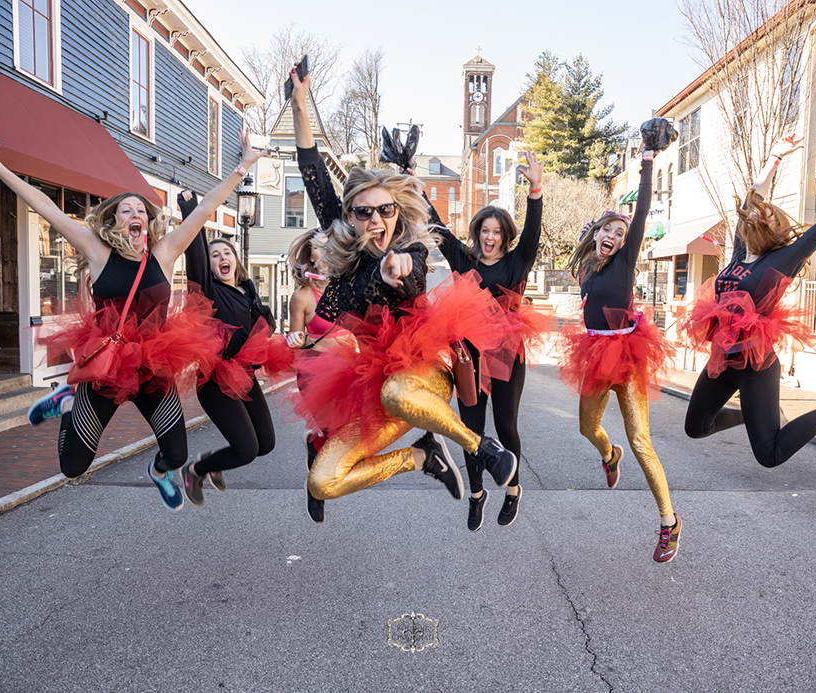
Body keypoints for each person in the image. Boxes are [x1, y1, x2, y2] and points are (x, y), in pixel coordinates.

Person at [0, 121, 268, 510]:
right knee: (73, 467)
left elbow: (206, 207)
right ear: (113, 220)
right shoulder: (97, 250)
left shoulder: (165, 252)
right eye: (127, 210)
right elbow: (46, 207)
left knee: (175, 454)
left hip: (154, 366)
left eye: (141, 209)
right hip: (107, 366)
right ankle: (69, 406)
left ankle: (159, 472)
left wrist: (243, 167)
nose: (136, 213)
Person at [288, 69, 519, 513]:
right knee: (323, 482)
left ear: (397, 211)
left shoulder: (407, 246)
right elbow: (312, 168)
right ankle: (422, 457)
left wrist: (397, 266)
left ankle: (481, 448)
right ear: (348, 217)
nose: (376, 220)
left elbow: (410, 272)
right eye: (364, 212)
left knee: (398, 392)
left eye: (386, 209)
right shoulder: (344, 250)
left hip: (425, 371)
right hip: (375, 386)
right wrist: (300, 105)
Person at [682, 134, 816, 468]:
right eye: (752, 214)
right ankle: (751, 416)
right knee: (695, 428)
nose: (752, 216)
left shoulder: (783, 260)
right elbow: (753, 197)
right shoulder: (740, 255)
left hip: (756, 366)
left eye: (760, 216)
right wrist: (775, 157)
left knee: (770, 454)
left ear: (770, 227)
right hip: (722, 360)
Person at [557, 125, 680, 563]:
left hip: (626, 357)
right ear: (595, 235)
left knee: (643, 441)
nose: (612, 236)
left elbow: (641, 211)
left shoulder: (625, 262)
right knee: (586, 429)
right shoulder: (588, 266)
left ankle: (669, 521)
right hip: (593, 354)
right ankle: (610, 455)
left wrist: (647, 162)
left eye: (619, 233)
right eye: (606, 230)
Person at [426, 152, 547, 530]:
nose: (490, 237)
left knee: (506, 426)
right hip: (469, 356)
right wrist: (410, 178)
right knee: (471, 430)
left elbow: (533, 231)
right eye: (485, 231)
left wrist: (535, 188)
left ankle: (512, 489)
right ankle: (476, 493)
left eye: (496, 231)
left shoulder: (517, 262)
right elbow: (437, 226)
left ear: (504, 235)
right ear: (477, 232)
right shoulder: (464, 260)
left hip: (508, 353)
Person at [176, 190, 291, 508]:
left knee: (265, 444)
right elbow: (194, 254)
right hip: (215, 382)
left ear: (236, 260)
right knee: (247, 449)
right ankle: (196, 470)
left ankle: (214, 466)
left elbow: (267, 334)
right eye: (215, 255)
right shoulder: (207, 292)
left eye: (226, 252)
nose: (221, 258)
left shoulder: (247, 293)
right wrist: (192, 210)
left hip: (244, 378)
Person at [285, 229, 348, 523]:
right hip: (314, 374)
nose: (325, 254)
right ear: (311, 255)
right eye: (319, 248)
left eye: (330, 247)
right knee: (335, 435)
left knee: (349, 438)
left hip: (347, 373)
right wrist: (304, 340)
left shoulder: (347, 290)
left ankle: (314, 445)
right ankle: (316, 488)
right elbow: (297, 342)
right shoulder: (302, 297)